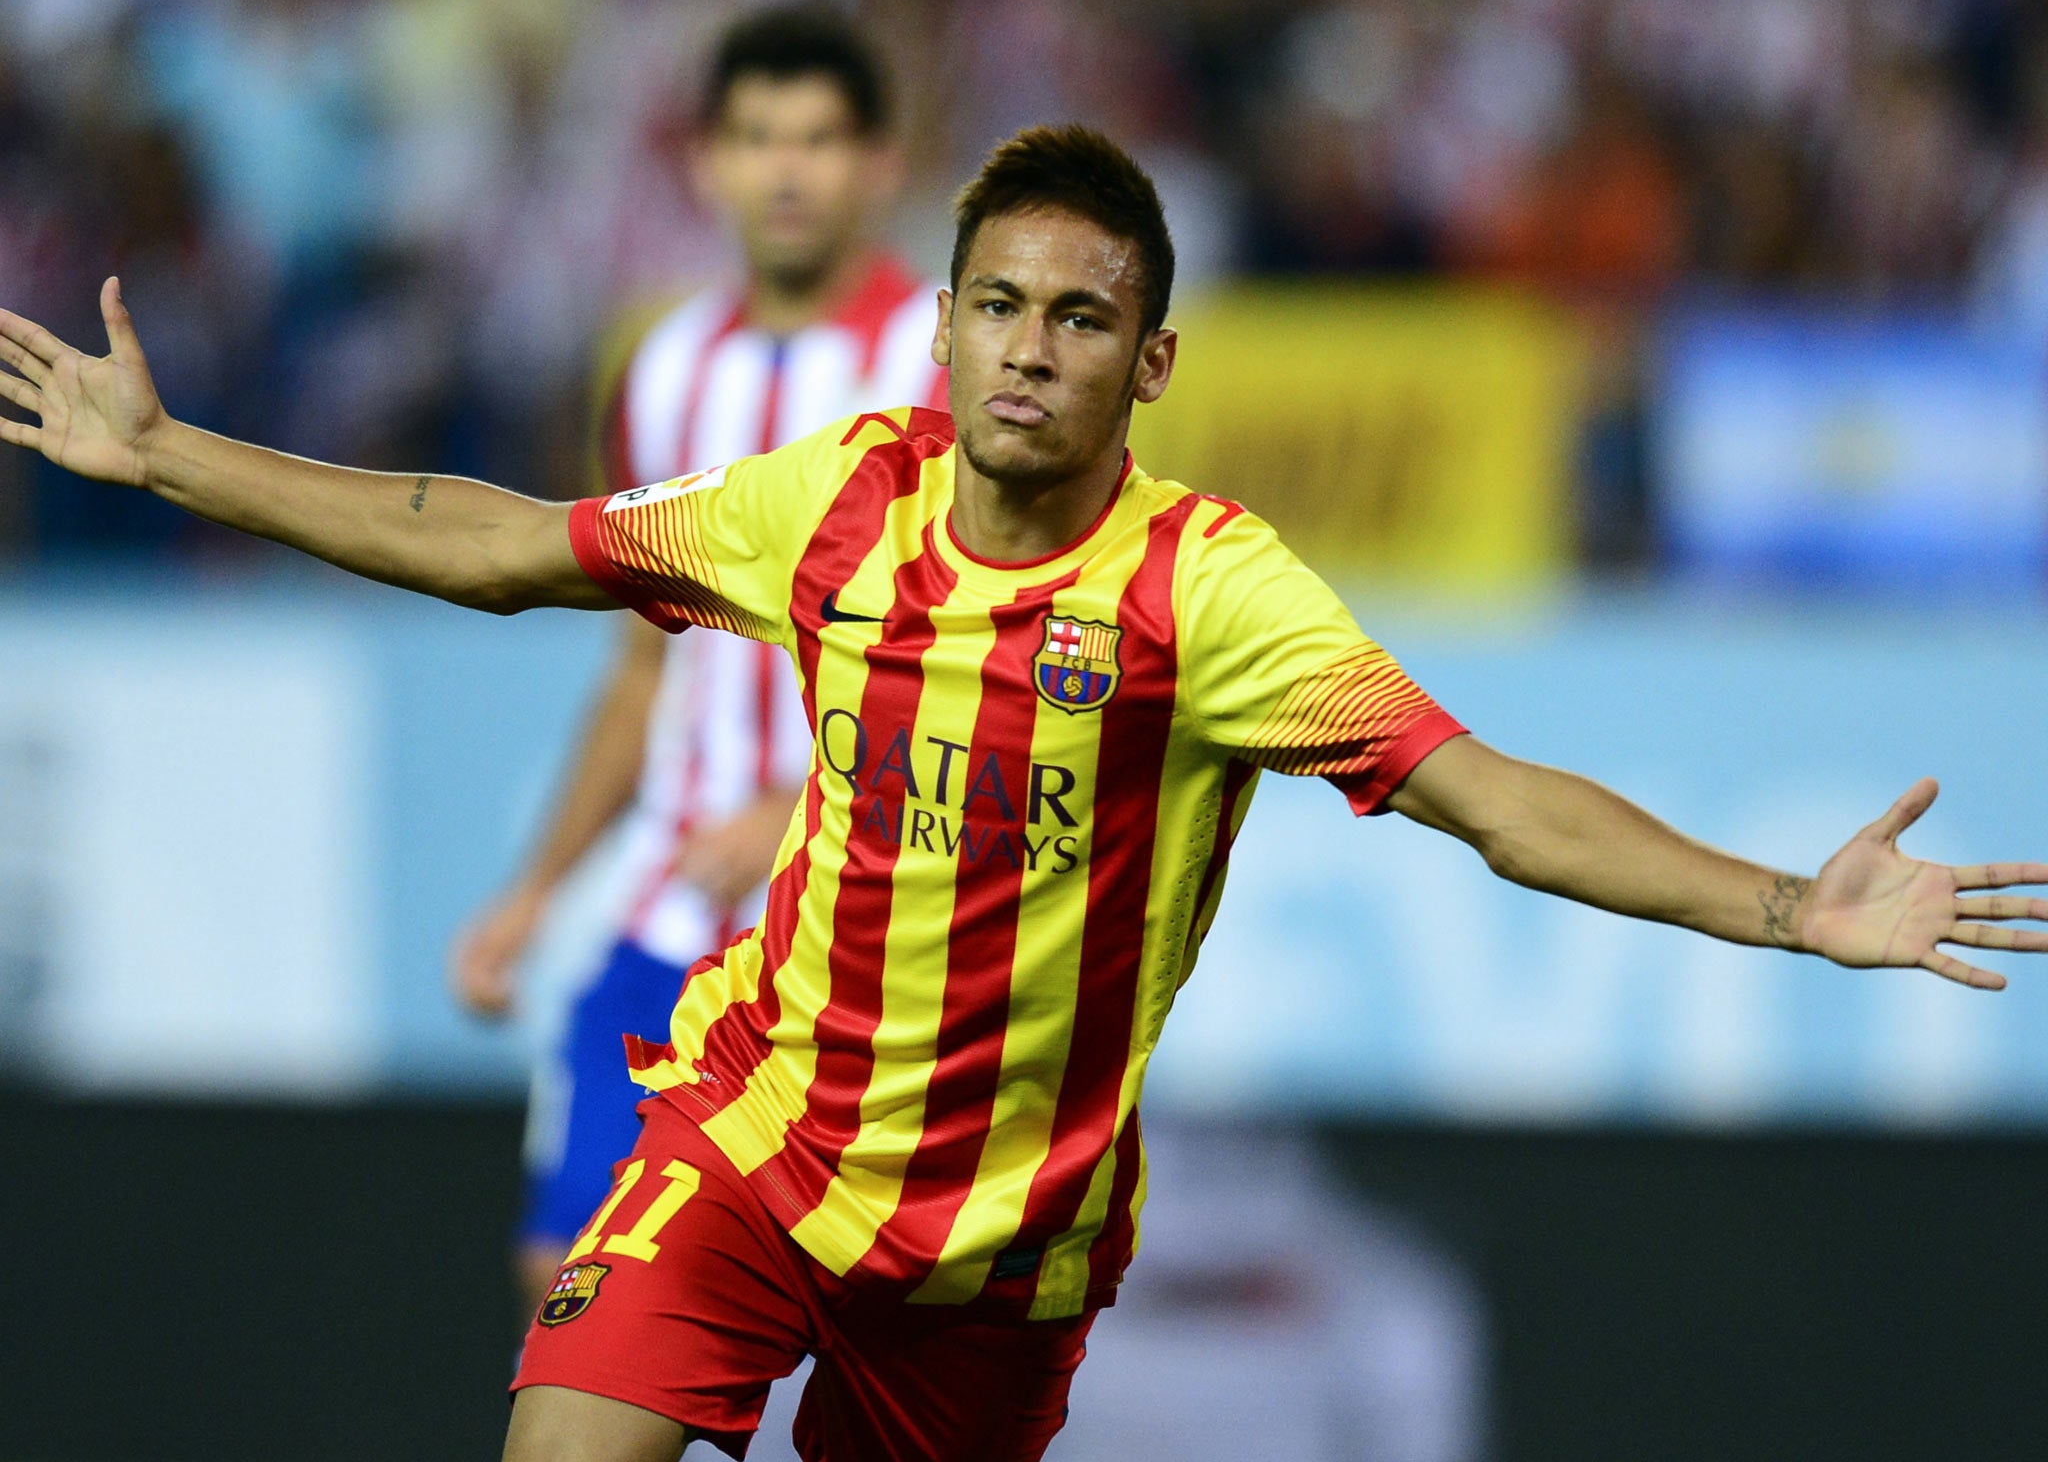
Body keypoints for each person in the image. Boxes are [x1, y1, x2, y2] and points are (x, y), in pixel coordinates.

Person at [6, 124, 2046, 1462]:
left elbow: (1495, 802)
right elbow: (502, 538)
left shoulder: (1207, 591)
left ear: (1147, 364)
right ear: (948, 318)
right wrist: (175, 458)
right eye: (1000, 305)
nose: (1031, 354)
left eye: (1084, 321)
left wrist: (1786, 906)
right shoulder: (833, 501)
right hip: (752, 1144)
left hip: (999, 1254)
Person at [446, 3, 946, 1315]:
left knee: (846, 1325)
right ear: (706, 162)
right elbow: (643, 666)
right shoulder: (666, 371)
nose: (788, 172)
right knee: (565, 1276)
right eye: (758, 138)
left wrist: (806, 801)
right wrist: (536, 888)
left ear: (882, 161)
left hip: (867, 925)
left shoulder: (941, 367)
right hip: (672, 911)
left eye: (822, 140)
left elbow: (976, 658)